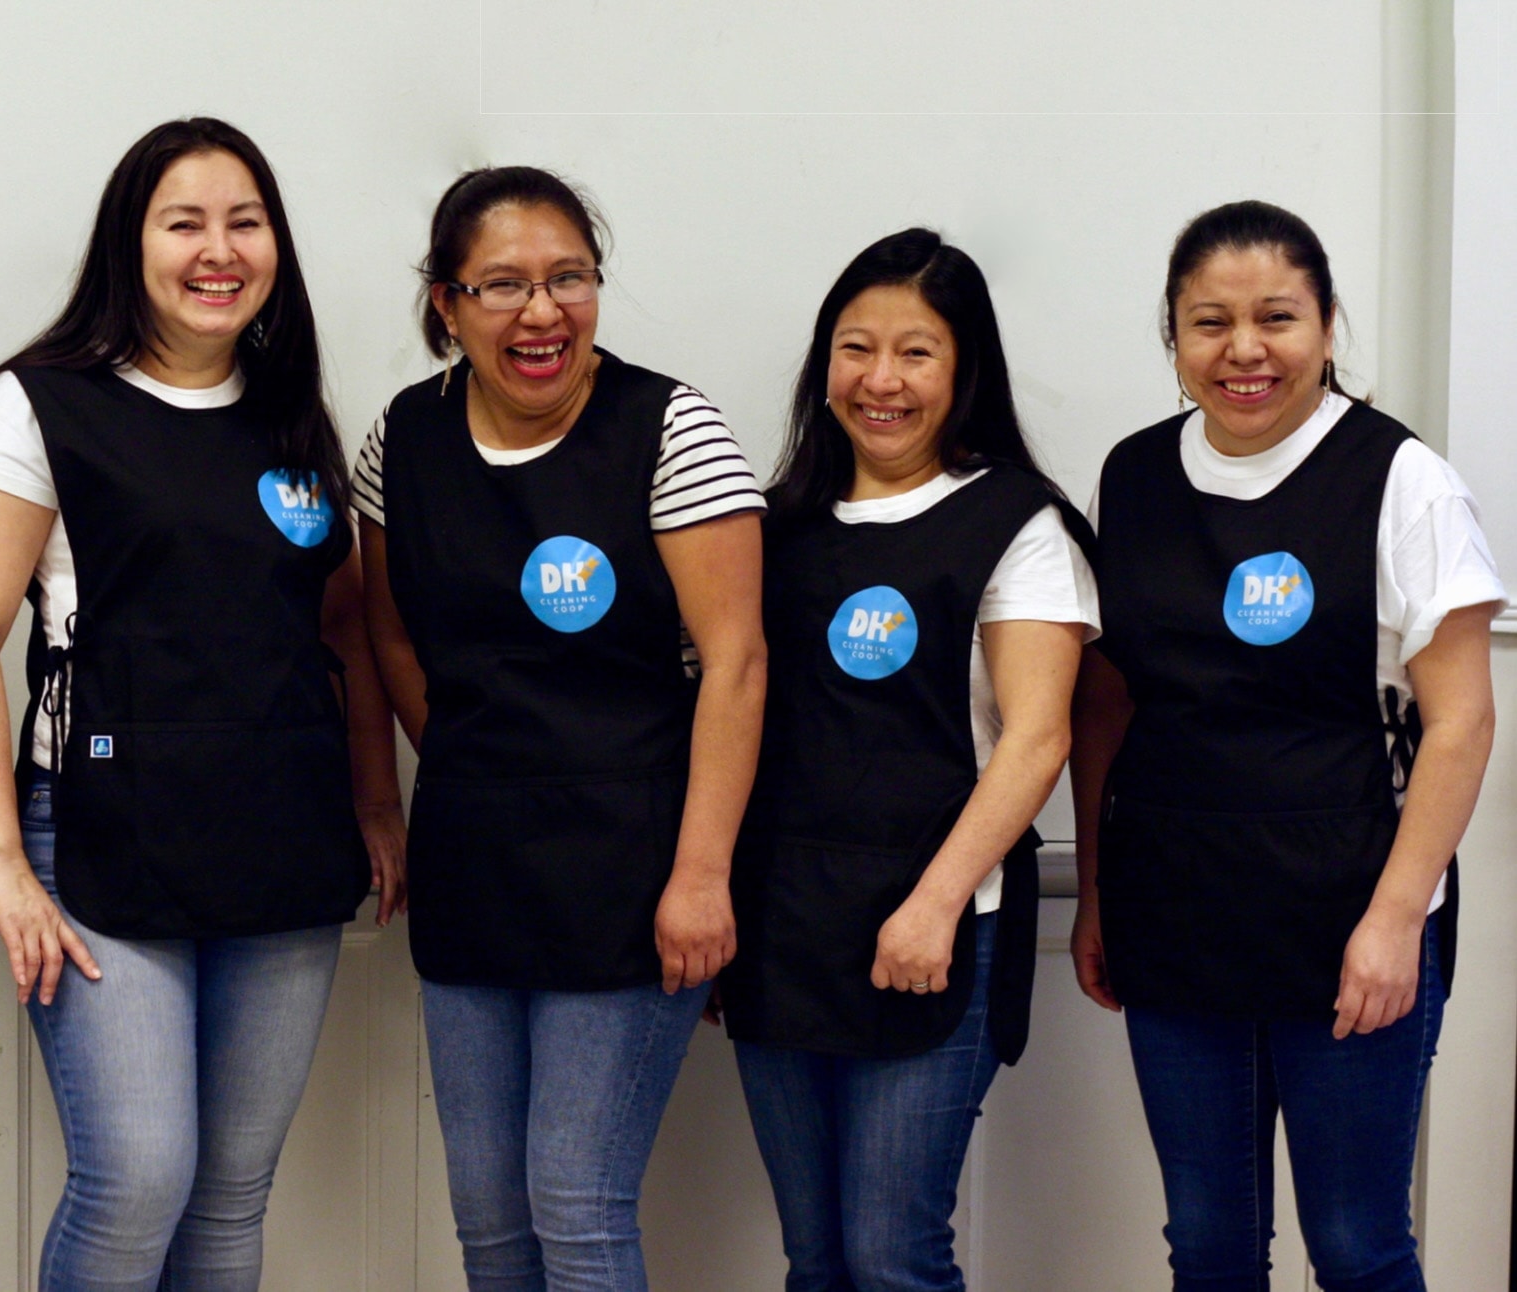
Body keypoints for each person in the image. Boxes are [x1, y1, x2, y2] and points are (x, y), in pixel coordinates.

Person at [0, 117, 404, 1291]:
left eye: (244, 221)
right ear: (127, 243)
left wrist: (377, 808)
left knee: (232, 1192)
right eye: (183, 221)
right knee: (138, 1176)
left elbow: (338, 627)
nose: (218, 249)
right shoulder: (39, 404)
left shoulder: (290, 412)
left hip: (285, 840)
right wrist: (4, 863)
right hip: (99, 837)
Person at [1070, 200, 1501, 1292]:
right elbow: (1106, 703)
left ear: (1326, 324)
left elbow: (1460, 718)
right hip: (1173, 909)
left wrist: (1396, 919)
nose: (1243, 349)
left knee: (1356, 1243)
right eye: (1208, 321)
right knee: (1208, 1243)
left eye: (1276, 317)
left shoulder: (1398, 479)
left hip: (1348, 913)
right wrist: (1096, 892)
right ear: (1171, 335)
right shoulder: (1129, 478)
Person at [355, 165, 766, 1291]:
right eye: (503, 285)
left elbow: (736, 662)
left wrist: (701, 870)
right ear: (446, 303)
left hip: (633, 872)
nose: (542, 312)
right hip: (472, 865)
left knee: (576, 1206)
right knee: (489, 1219)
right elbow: (387, 633)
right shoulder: (404, 437)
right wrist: (470, 775)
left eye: (569, 277)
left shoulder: (669, 425)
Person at [718, 228, 1097, 1292]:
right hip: (783, 926)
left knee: (893, 1254)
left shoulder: (1017, 523)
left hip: (937, 927)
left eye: (916, 352)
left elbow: (1037, 738)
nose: (879, 380)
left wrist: (932, 902)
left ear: (964, 368)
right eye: (854, 347)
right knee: (816, 1255)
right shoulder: (774, 522)